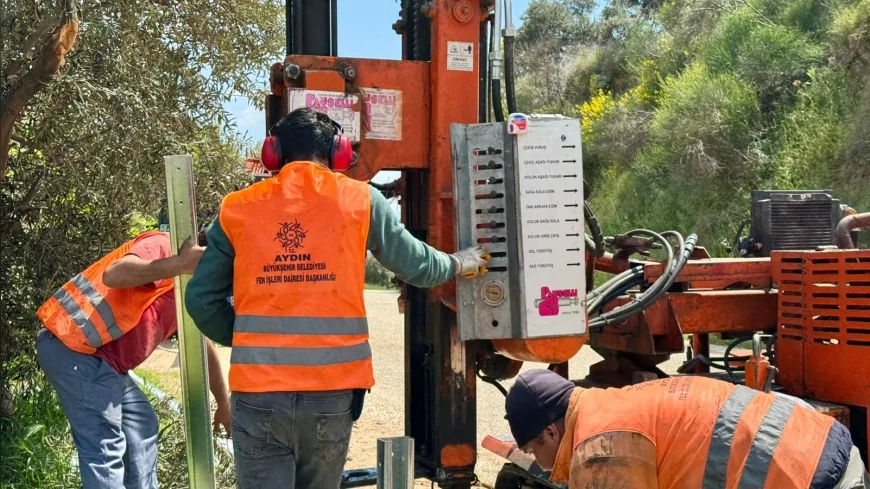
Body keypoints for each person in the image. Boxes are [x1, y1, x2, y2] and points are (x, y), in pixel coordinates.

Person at [185, 107, 491, 489]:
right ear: (338, 153)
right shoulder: (361, 201)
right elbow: (417, 265)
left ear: (273, 153)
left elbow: (200, 299)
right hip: (330, 396)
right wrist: (459, 263)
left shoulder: (238, 208)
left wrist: (246, 336)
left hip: (259, 392)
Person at [35, 230, 231, 489]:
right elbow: (115, 273)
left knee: (141, 424)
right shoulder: (165, 245)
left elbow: (201, 345)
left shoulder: (189, 291)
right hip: (77, 350)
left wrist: (223, 402)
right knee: (105, 447)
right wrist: (181, 263)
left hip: (103, 363)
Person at [504, 369, 869, 489]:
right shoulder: (615, 405)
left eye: (535, 451)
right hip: (830, 448)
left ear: (550, 433)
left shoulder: (600, 449)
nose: (542, 463)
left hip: (812, 480)